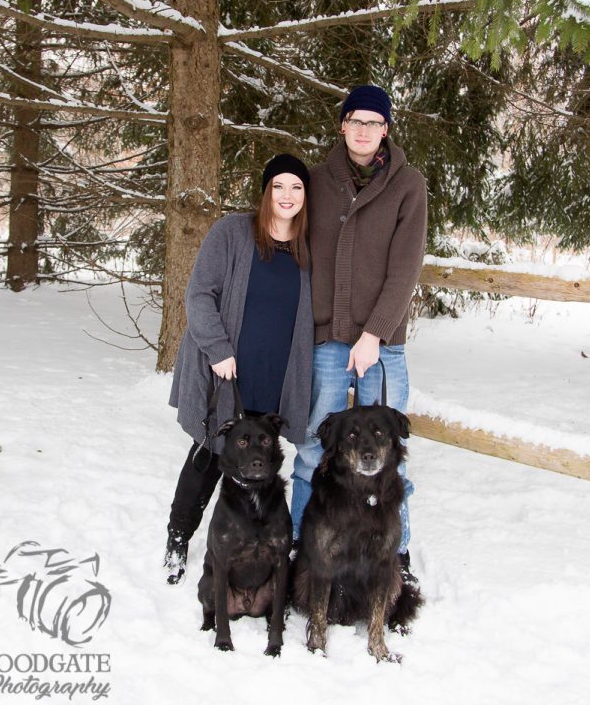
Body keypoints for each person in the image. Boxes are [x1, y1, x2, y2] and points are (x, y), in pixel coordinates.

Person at [290, 85, 427, 580]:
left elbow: (405, 268)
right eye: (356, 121)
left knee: (389, 453)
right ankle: (301, 548)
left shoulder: (408, 184)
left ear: (386, 129)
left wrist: (375, 333)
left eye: (375, 122)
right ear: (342, 125)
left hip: (383, 344)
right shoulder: (316, 180)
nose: (365, 130)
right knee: (314, 446)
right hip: (327, 339)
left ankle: (399, 555)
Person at [164, 153, 313, 585]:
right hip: (227, 373)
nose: (287, 196)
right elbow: (198, 295)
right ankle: (178, 538)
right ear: (266, 191)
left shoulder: (307, 249)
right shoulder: (231, 233)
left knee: (261, 464)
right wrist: (217, 349)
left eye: (297, 188)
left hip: (274, 378)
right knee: (209, 457)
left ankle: (253, 546)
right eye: (279, 186)